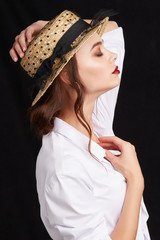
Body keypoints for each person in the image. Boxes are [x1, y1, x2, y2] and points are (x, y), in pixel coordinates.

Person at [9, 9, 150, 240]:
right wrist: (135, 181)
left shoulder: (94, 118)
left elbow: (112, 28)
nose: (112, 54)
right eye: (98, 53)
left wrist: (54, 27)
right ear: (65, 74)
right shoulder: (62, 168)